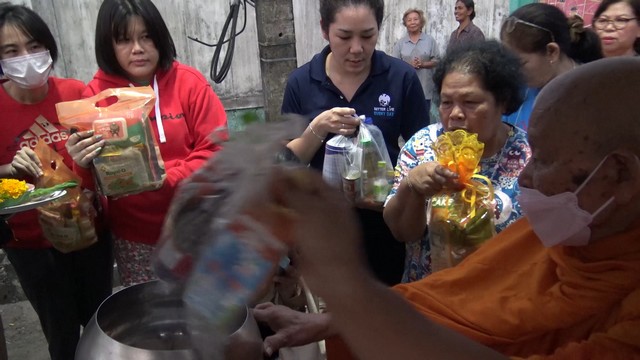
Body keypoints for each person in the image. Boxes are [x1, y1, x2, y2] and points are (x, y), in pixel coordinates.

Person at [253, 56, 640, 359]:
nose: (526, 179)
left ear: (620, 173)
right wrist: (335, 320)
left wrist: (345, 285)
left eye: (546, 160)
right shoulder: (562, 238)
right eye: (447, 102)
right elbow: (451, 298)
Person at [67, 0, 227, 287]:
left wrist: (166, 177)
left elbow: (216, 150)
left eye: (146, 36)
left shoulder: (188, 83)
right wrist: (80, 164)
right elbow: (92, 182)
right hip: (135, 235)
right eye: (124, 40)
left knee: (208, 311)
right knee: (154, 318)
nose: (138, 48)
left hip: (197, 224)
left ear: (160, 37)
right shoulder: (97, 97)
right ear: (108, 44)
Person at [282, 0, 428, 286]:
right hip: (325, 227)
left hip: (386, 225)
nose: (357, 48)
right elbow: (287, 163)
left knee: (386, 311)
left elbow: (422, 149)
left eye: (368, 35)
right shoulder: (302, 83)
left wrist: (395, 197)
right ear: (325, 30)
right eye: (345, 36)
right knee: (334, 316)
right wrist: (319, 126)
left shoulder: (401, 78)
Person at [0, 3, 112, 359]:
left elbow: (107, 160)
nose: (27, 58)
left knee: (100, 323)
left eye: (35, 46)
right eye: (11, 51)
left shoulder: (75, 93)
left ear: (49, 48)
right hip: (32, 245)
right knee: (61, 333)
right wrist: (7, 171)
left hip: (89, 233)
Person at [382, 40, 530, 282]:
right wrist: (412, 187)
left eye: (470, 103)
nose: (456, 114)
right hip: (430, 299)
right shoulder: (422, 146)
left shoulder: (529, 157)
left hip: (501, 301)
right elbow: (402, 232)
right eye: (446, 102)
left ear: (502, 102)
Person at [501, 3, 602, 130]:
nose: (513, 71)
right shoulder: (516, 91)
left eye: (520, 63)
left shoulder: (595, 94)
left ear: (552, 52)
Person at [392, 8, 439, 124]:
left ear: (421, 21)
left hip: (425, 88)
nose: (412, 22)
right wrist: (409, 65)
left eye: (415, 19)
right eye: (409, 20)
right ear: (405, 23)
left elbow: (437, 60)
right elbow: (394, 63)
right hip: (406, 87)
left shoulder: (429, 41)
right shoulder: (401, 43)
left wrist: (423, 64)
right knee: (407, 120)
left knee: (424, 119)